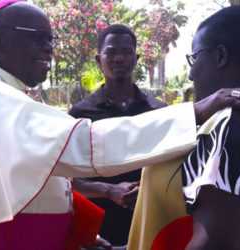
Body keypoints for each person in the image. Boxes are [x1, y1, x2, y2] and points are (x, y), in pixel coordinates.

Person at [0, 1, 240, 249]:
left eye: (51, 39)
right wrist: (192, 112)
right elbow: (83, 145)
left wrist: (76, 231)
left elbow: (28, 176)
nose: (50, 49)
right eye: (38, 37)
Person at [128, 5, 240, 250]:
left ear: (220, 55)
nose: (191, 74)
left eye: (194, 58)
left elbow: (218, 243)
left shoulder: (230, 122)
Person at [69, 24, 166, 246]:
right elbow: (67, 181)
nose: (119, 58)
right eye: (111, 52)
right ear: (98, 59)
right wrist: (109, 190)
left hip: (149, 229)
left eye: (126, 52)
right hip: (100, 235)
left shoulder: (159, 111)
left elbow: (173, 172)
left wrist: (146, 188)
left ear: (136, 58)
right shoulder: (81, 115)